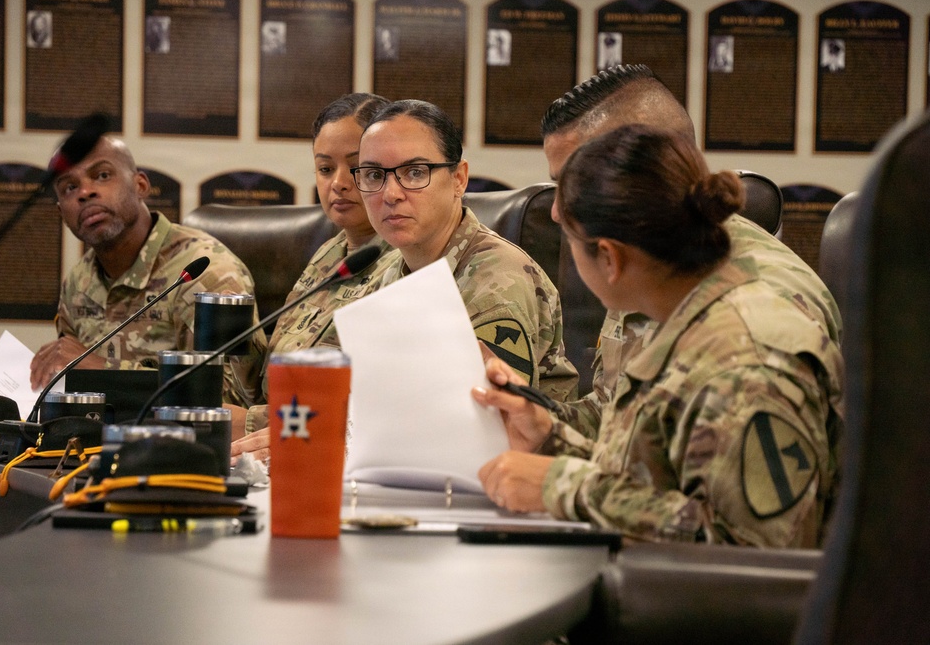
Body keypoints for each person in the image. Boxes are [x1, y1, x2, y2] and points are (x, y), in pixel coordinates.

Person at [475, 125, 844, 547]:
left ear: (609, 258)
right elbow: (661, 479)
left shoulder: (747, 358)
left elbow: (752, 551)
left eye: (572, 242)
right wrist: (550, 439)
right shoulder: (688, 316)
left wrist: (563, 488)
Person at [537, 64, 842, 435]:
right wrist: (537, 423)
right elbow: (620, 420)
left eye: (573, 183)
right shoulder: (651, 263)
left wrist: (555, 469)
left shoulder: (758, 336)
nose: (556, 211)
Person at [354, 99, 578, 399]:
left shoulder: (498, 282)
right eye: (373, 175)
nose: (391, 193)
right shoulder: (389, 270)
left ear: (459, 179)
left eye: (415, 172)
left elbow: (487, 415)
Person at [29, 136, 265, 418]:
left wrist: (103, 371)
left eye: (102, 175)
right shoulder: (78, 281)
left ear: (140, 185)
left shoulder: (203, 272)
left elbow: (229, 401)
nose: (85, 192)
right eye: (70, 187)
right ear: (61, 213)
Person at [229, 93, 396, 459]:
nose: (338, 183)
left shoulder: (408, 262)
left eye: (357, 167)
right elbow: (270, 382)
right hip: (276, 449)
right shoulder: (329, 253)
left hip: (328, 456)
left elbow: (382, 408)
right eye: (325, 168)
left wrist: (251, 422)